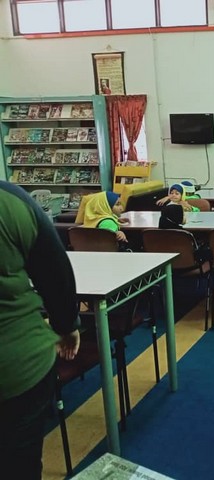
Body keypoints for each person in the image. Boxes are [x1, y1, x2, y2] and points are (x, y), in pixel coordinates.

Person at [0, 180, 80, 479]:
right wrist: (67, 326)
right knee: (18, 465)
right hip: (16, 364)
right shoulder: (9, 200)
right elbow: (55, 273)